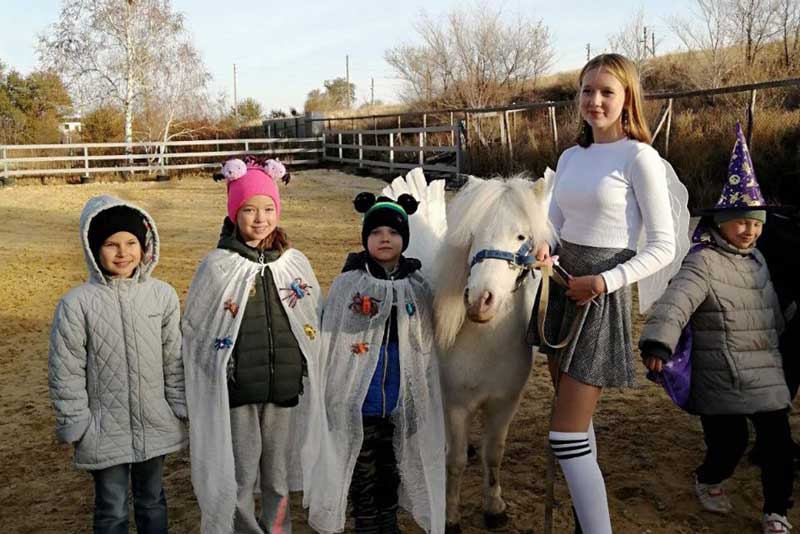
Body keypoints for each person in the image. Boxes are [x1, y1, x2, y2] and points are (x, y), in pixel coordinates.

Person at [530, 53, 677, 533]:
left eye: (606, 92)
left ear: (627, 97)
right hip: (561, 291)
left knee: (564, 435)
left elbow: (663, 246)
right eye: (587, 90)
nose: (594, 100)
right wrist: (542, 245)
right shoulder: (572, 157)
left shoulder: (640, 157)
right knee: (579, 428)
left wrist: (604, 282)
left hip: (598, 295)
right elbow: (556, 223)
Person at [640, 123, 794, 534]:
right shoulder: (702, 261)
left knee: (779, 448)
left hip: (766, 373)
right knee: (729, 447)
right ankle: (709, 479)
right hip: (720, 376)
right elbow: (675, 303)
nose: (751, 230)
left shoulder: (758, 261)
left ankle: (776, 511)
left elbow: (772, 312)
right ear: (722, 221)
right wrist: (657, 344)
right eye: (742, 222)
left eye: (757, 223)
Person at [182, 157, 322, 534]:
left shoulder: (293, 264)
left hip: (283, 390)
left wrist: (304, 368)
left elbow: (311, 320)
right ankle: (245, 530)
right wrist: (218, 372)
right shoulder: (218, 266)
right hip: (238, 392)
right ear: (233, 213)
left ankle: (278, 530)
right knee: (242, 476)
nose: (259, 219)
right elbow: (197, 327)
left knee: (277, 477)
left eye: (267, 209)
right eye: (248, 209)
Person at [304, 193, 446, 534]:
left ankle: (389, 525)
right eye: (377, 232)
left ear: (405, 240)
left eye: (394, 233)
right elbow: (334, 342)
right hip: (360, 404)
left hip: (399, 402)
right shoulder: (348, 285)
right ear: (365, 238)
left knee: (391, 471)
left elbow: (425, 345)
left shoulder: (417, 287)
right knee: (362, 475)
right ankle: (367, 527)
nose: (385, 238)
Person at [48, 195, 187, 534]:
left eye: (131, 243)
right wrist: (76, 419)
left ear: (145, 246)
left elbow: (174, 357)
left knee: (152, 500)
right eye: (111, 244)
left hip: (155, 421)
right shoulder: (76, 304)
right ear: (93, 248)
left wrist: (179, 405)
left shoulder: (163, 296)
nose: (123, 253)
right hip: (102, 427)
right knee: (112, 508)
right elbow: (66, 368)